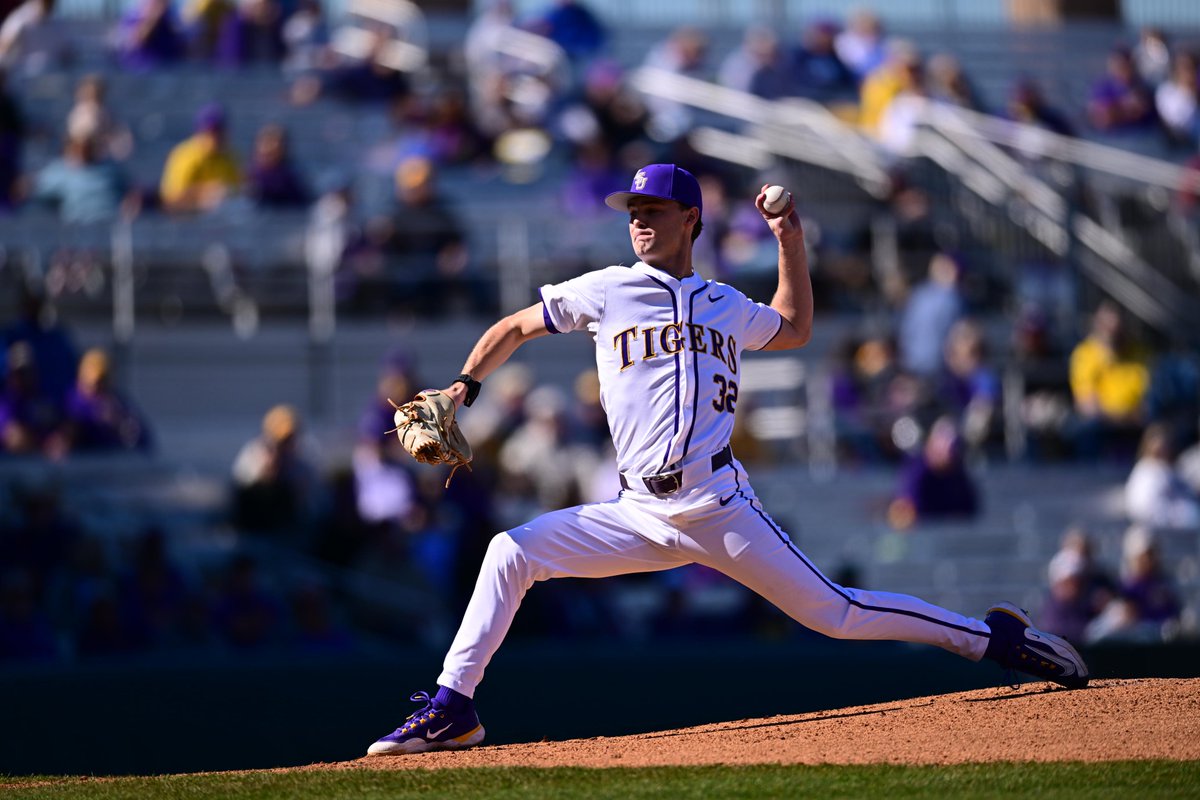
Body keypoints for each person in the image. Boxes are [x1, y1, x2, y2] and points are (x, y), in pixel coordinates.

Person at [364, 163, 1089, 756]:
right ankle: (453, 707)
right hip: (637, 510)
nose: (639, 220)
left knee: (837, 615)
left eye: (654, 209)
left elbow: (795, 327)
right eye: (632, 211)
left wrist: (789, 237)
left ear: (691, 219)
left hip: (718, 505)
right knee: (510, 552)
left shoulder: (724, 303)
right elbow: (517, 326)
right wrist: (462, 388)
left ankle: (993, 639)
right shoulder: (608, 288)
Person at [159, 103, 242, 214]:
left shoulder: (231, 156)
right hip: (187, 216)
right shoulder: (186, 156)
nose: (217, 137)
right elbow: (171, 198)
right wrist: (205, 192)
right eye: (213, 132)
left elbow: (239, 191)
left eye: (221, 132)